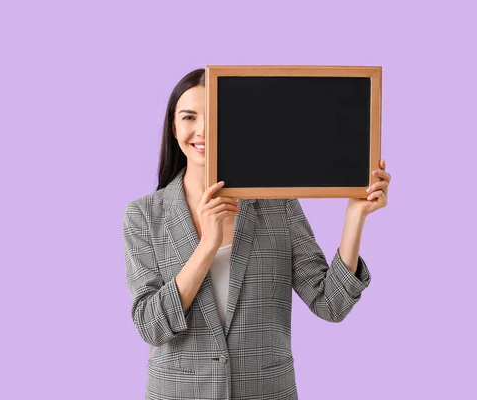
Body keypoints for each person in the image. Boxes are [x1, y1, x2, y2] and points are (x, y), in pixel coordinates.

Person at [122, 68, 391, 400]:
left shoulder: (278, 205)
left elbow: (330, 304)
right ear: (174, 127)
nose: (202, 130)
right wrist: (207, 245)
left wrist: (354, 218)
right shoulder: (144, 215)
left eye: (216, 116)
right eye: (189, 117)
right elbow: (150, 325)